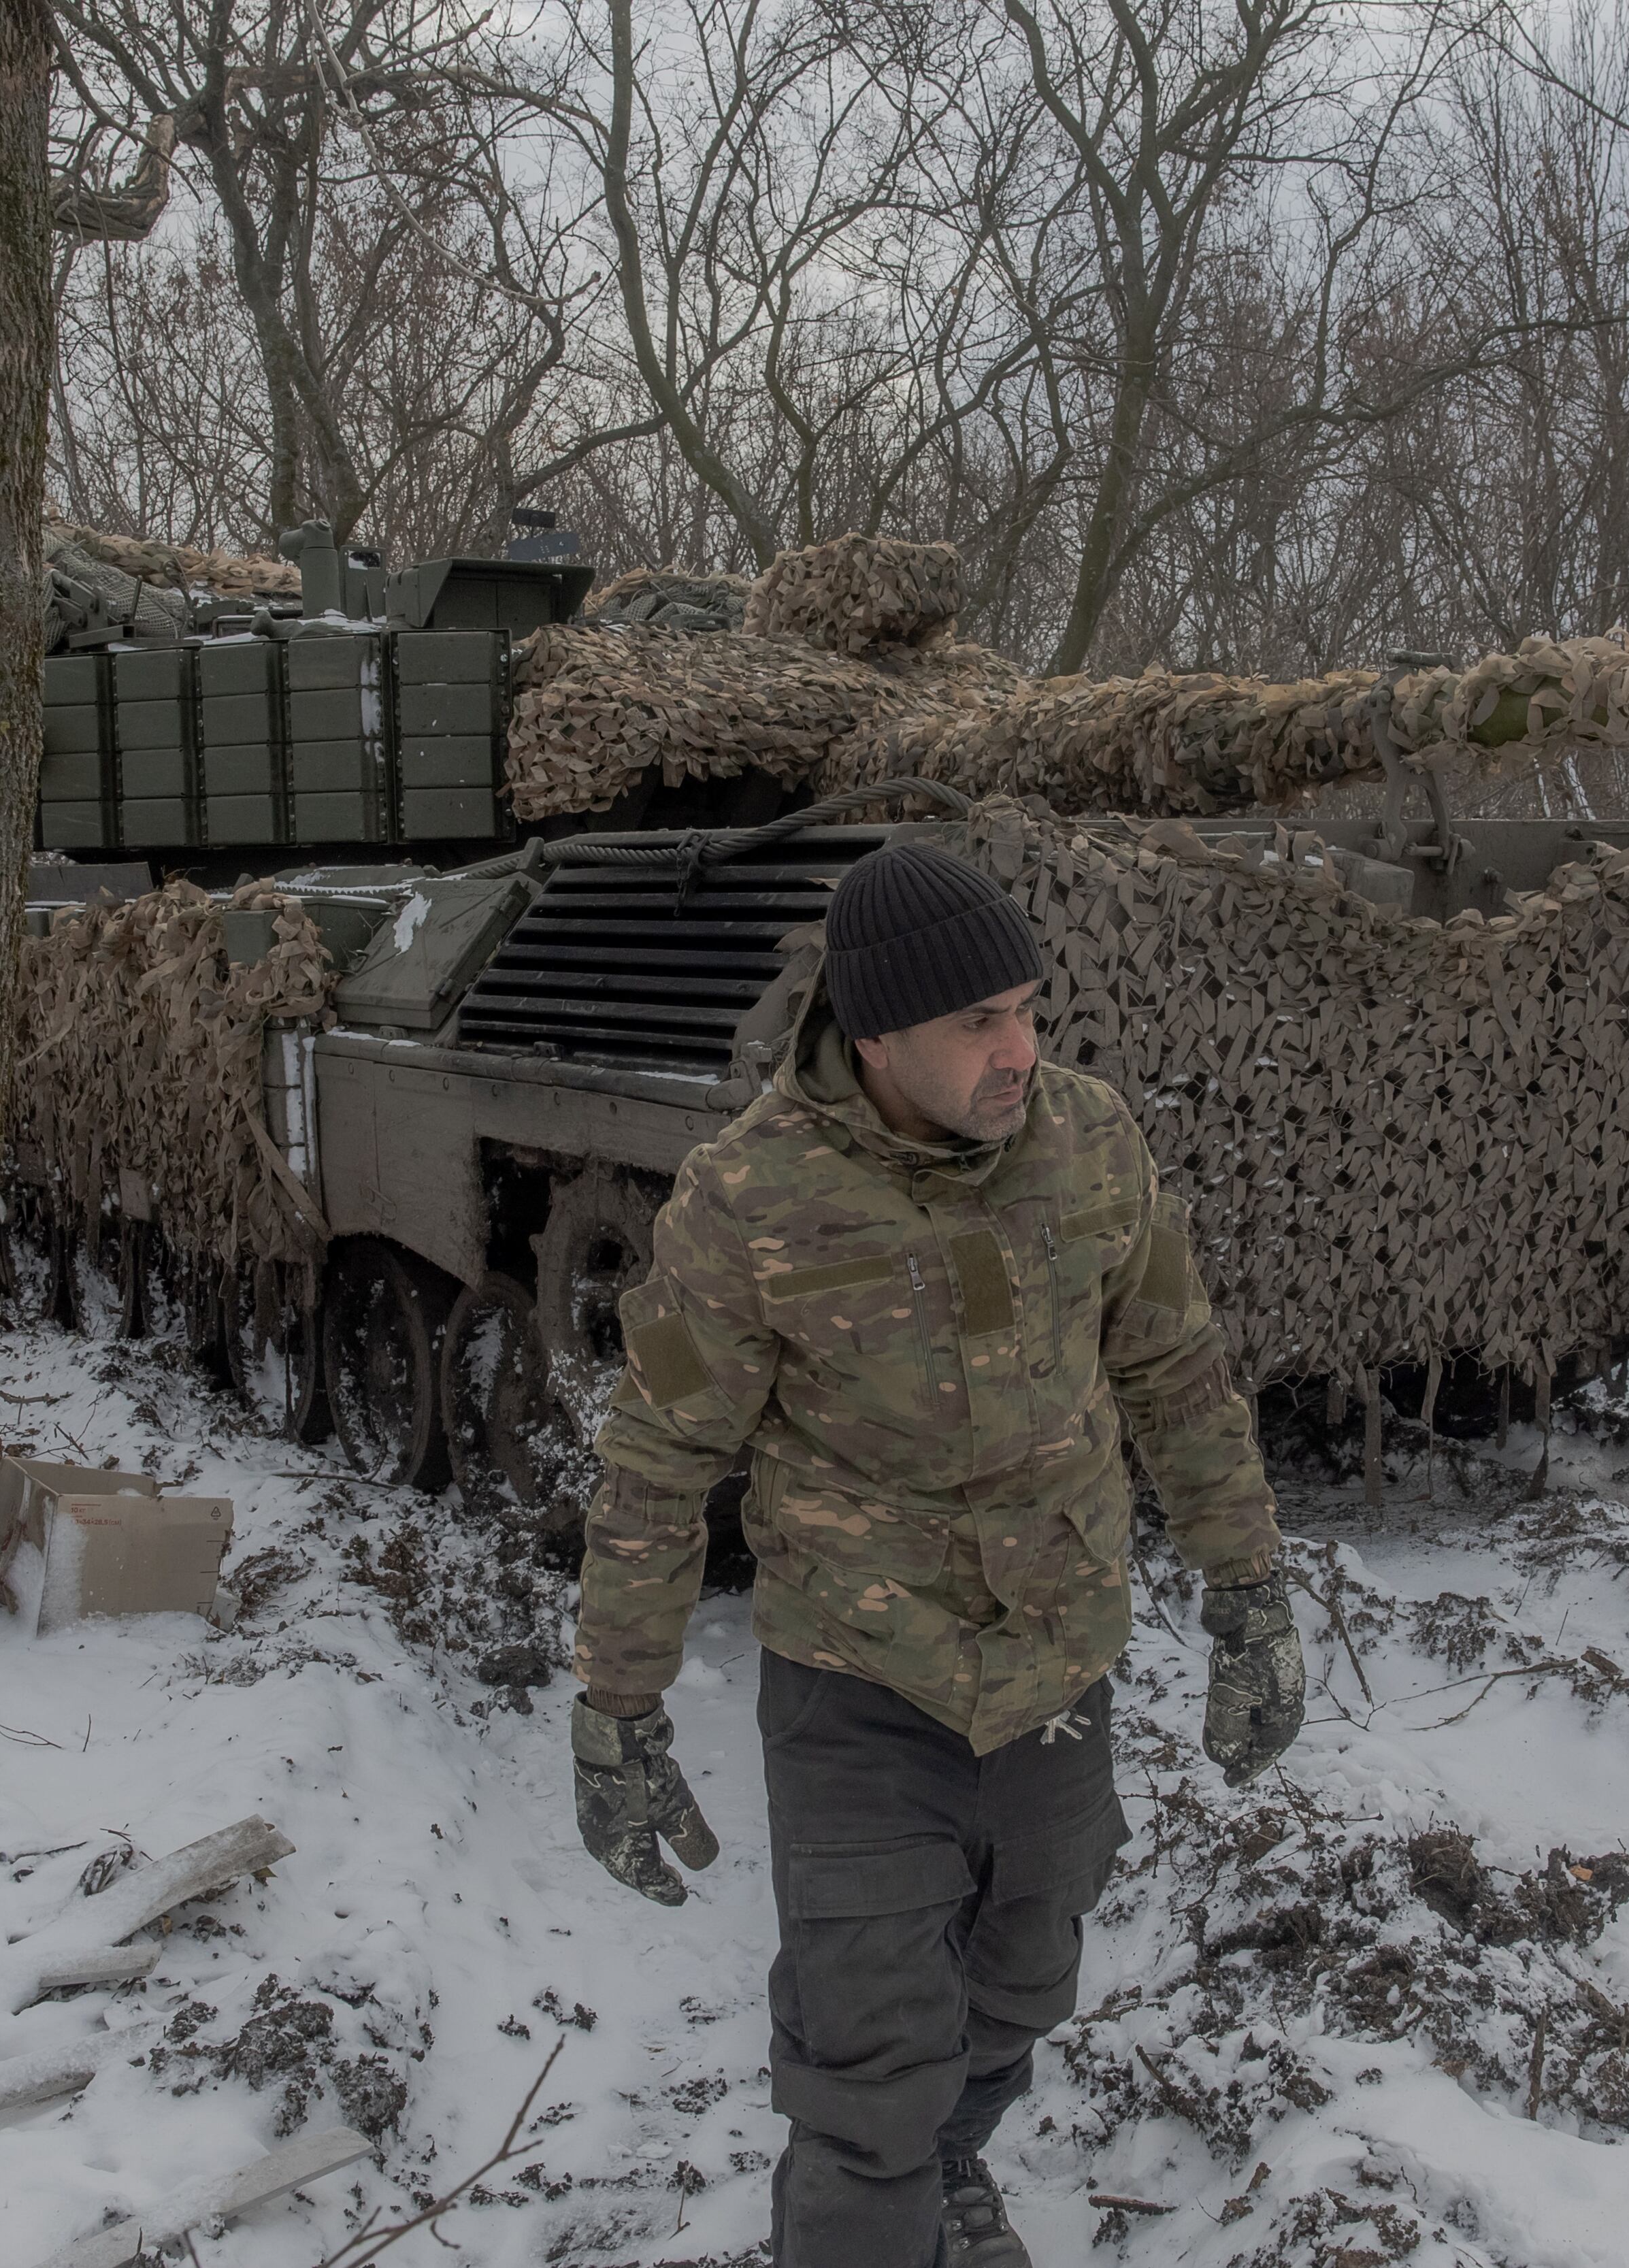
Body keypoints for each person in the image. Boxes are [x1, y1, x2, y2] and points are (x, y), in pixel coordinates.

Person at [565, 839, 1304, 2268]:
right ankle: (881, 2191)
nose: (1021, 1049)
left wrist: (1249, 1588)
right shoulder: (749, 1198)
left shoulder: (1090, 1141)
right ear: (878, 1031)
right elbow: (658, 1452)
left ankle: (947, 2151)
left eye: (1028, 1008)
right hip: (858, 1684)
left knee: (1023, 1981)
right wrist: (616, 1700)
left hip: (1054, 1658)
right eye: (980, 1022)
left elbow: (1176, 1368)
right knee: (866, 2070)